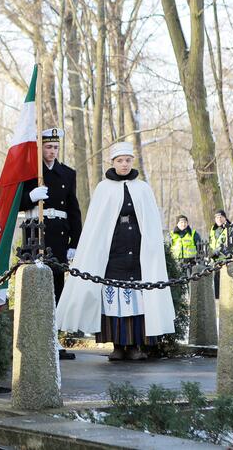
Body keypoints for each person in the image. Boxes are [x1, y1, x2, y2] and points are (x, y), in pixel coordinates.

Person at [56, 141, 176, 361]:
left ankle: (134, 346)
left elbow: (150, 223)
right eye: (120, 161)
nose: (124, 165)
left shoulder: (143, 189)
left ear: (132, 161)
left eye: (128, 160)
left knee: (138, 300)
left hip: (137, 254)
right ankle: (117, 346)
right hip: (112, 254)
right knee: (113, 300)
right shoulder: (104, 189)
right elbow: (96, 226)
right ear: (113, 162)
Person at [19, 127, 82, 360]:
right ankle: (35, 338)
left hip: (58, 235)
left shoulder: (68, 173)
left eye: (55, 147)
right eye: (48, 147)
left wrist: (75, 241)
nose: (52, 151)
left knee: (57, 287)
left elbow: (74, 211)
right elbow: (15, 204)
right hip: (36, 234)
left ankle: (52, 337)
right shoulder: (30, 174)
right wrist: (30, 197)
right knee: (36, 286)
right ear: (40, 148)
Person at [209, 209, 230, 299]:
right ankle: (217, 299)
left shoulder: (229, 228)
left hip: (226, 258)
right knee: (216, 280)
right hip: (215, 259)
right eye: (217, 217)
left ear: (225, 218)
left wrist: (220, 251)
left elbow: (230, 244)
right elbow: (211, 243)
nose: (219, 219)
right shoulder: (213, 229)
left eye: (221, 217)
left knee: (226, 281)